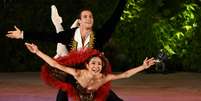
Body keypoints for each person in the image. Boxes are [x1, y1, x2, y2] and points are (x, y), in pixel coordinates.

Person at [6, 0, 127, 100]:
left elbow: (114, 18)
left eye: (90, 17)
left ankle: (58, 22)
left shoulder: (100, 36)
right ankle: (57, 22)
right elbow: (48, 36)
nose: (88, 18)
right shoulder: (70, 35)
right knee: (64, 87)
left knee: (106, 94)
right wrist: (22, 34)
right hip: (73, 71)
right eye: (85, 16)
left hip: (91, 73)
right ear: (79, 21)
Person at [25, 42, 156, 101]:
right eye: (93, 63)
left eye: (99, 64)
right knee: (63, 84)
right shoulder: (78, 73)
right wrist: (37, 51)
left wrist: (143, 66)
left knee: (112, 98)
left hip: (95, 92)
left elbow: (126, 74)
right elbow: (54, 64)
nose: (96, 66)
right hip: (75, 85)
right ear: (87, 65)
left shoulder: (103, 77)